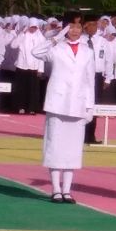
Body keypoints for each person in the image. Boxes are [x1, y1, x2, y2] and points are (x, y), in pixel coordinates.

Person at [33, 17, 96, 203]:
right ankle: (56, 189)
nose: (75, 30)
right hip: (57, 103)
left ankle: (67, 190)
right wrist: (56, 37)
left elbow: (90, 80)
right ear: (65, 28)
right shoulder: (56, 48)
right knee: (55, 145)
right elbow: (36, 52)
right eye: (71, 27)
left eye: (78, 27)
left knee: (73, 148)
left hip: (77, 103)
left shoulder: (87, 52)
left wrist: (90, 106)